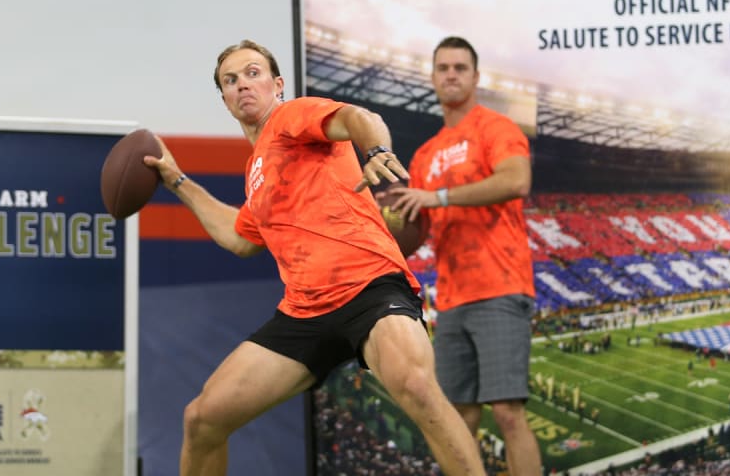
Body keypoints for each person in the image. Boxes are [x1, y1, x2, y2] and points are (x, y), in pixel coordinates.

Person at [143, 39, 486, 476]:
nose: (243, 84)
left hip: (370, 287)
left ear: (277, 84)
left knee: (417, 387)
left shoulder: (291, 117)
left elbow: (360, 118)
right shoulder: (257, 172)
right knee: (203, 418)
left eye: (253, 72)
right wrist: (176, 180)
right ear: (225, 99)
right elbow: (240, 237)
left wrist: (376, 150)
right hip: (305, 311)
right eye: (231, 80)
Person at [387, 36, 542, 476]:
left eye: (460, 67)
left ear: (476, 77)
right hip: (452, 299)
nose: (451, 74)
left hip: (500, 287)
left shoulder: (496, 128)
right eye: (443, 68)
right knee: (458, 420)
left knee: (509, 414)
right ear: (433, 78)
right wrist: (389, 227)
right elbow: (419, 229)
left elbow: (517, 181)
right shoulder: (424, 155)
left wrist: (436, 195)